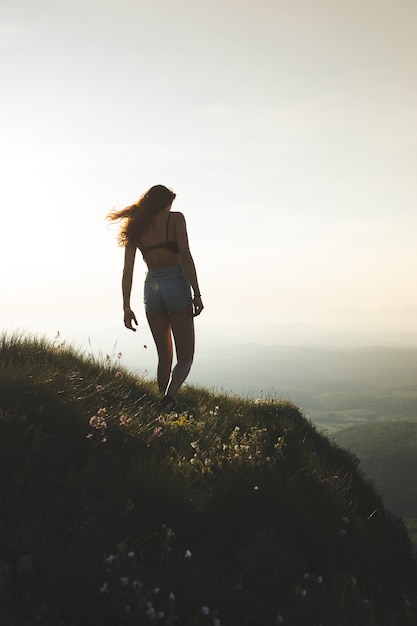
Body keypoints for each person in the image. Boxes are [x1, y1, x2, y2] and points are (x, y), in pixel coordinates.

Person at [107, 184, 203, 409]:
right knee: (185, 358)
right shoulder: (175, 219)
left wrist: (126, 307)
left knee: (164, 357)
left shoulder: (135, 227)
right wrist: (197, 293)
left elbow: (127, 271)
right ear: (166, 202)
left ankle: (162, 407)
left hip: (152, 287)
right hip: (177, 284)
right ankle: (168, 399)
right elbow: (186, 257)